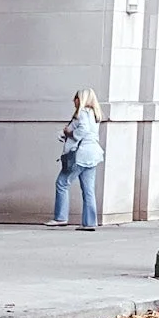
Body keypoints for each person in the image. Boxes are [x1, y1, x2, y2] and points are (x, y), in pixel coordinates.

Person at [50, 90, 103, 230]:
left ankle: (60, 217)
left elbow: (82, 131)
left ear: (81, 99)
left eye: (76, 98)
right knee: (88, 190)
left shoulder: (82, 113)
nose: (74, 101)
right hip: (93, 154)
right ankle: (89, 222)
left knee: (62, 183)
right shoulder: (95, 114)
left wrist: (69, 133)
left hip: (80, 154)